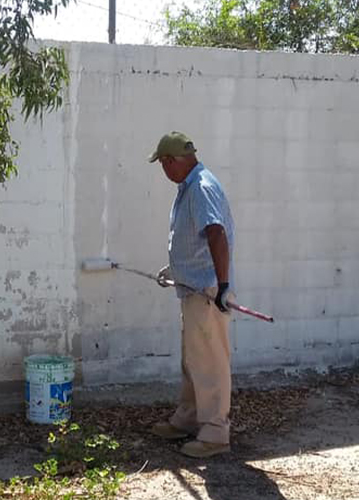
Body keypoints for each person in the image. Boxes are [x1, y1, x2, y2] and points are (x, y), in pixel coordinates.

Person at [148, 131, 235, 459]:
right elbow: (196, 239)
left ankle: (215, 434)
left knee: (210, 363)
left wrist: (222, 286)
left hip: (207, 292)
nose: (163, 171)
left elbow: (216, 233)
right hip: (194, 288)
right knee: (194, 361)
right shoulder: (191, 186)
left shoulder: (200, 187)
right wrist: (177, 270)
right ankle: (187, 419)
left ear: (171, 161)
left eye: (162, 164)